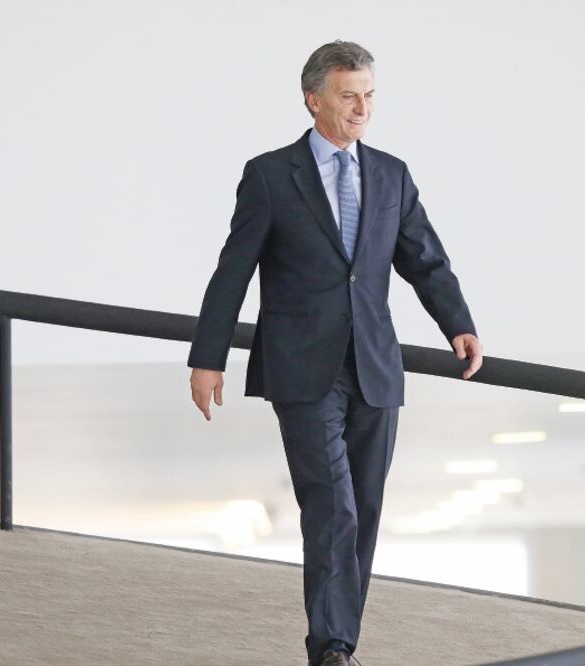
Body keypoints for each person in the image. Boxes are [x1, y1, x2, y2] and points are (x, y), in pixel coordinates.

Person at [186, 40, 483, 666]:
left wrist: (456, 322)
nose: (362, 108)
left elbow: (423, 258)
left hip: (375, 366)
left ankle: (341, 637)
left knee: (365, 511)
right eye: (349, 95)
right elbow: (232, 271)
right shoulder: (270, 175)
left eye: (370, 94)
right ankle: (332, 647)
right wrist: (208, 357)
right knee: (332, 506)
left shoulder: (391, 173)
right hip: (303, 369)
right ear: (313, 98)